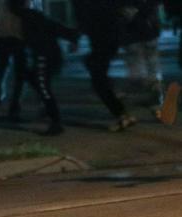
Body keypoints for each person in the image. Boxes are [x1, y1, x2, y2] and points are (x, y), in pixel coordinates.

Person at [11, 0, 80, 136]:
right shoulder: (28, 17)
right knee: (34, 80)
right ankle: (48, 109)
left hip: (46, 56)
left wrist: (73, 37)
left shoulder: (30, 17)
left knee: (43, 87)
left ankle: (56, 122)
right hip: (46, 55)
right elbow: (55, 28)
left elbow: (54, 28)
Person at [71, 0, 136, 131]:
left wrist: (75, 38)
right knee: (93, 67)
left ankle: (122, 115)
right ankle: (118, 104)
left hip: (103, 41)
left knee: (98, 80)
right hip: (109, 39)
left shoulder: (82, 4)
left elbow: (82, 19)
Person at [121, 0, 163, 106]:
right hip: (148, 30)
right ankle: (155, 93)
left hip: (133, 32)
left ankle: (149, 91)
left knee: (137, 63)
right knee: (151, 63)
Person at [0, 0, 27, 114]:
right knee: (21, 70)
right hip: (18, 31)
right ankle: (15, 103)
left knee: (4, 62)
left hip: (1, 29)